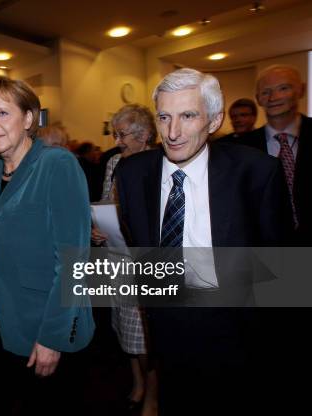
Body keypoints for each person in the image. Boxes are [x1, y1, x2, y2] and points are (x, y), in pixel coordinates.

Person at [114, 68, 291, 415]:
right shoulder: (133, 174)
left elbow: (280, 269)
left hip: (237, 334)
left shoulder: (256, 172)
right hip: (166, 331)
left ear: (213, 121)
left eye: (188, 116)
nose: (173, 132)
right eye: (164, 117)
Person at [0, 75, 95, 414]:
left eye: (2, 113)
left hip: (41, 328)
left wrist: (53, 336)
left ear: (28, 119)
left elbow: (74, 261)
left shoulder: (57, 165)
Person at [92, 104, 158, 416]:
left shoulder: (161, 161)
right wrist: (97, 228)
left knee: (147, 333)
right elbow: (107, 200)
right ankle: (138, 383)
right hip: (116, 255)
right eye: (115, 133)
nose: (117, 140)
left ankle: (153, 395)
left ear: (145, 135)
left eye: (123, 134)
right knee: (124, 328)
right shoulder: (115, 162)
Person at [235, 65, 311, 244]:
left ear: (301, 90)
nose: (273, 98)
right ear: (258, 99)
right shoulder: (241, 149)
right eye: (266, 92)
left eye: (283, 88)